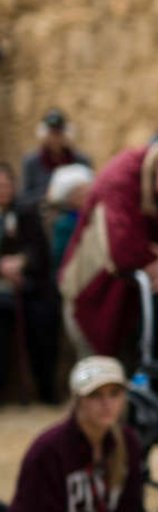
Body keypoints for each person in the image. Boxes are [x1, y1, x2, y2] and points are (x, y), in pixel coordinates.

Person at [57, 128, 158, 362]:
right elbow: (124, 252)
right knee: (102, 381)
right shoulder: (120, 178)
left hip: (139, 308)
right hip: (93, 299)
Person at [1, 356, 158, 512]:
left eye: (115, 394)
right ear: (77, 400)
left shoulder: (128, 441)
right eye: (95, 395)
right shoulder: (48, 449)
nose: (107, 404)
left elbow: (128, 511)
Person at [0, 163, 58, 403]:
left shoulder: (26, 212)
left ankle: (46, 392)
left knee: (44, 317)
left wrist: (21, 262)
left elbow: (39, 251)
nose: (2, 190)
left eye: (5, 185)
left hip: (28, 287)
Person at [19, 108, 92, 209]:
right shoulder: (31, 163)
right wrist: (46, 195)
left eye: (59, 133)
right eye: (52, 133)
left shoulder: (82, 161)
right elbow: (25, 199)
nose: (55, 138)